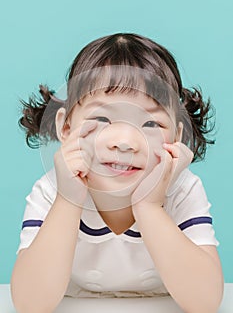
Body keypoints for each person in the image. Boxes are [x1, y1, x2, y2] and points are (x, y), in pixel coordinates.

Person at [11, 33, 223, 313]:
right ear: (66, 128)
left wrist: (149, 206)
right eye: (101, 119)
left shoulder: (181, 190)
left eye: (150, 123)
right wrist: (68, 201)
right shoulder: (52, 190)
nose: (124, 142)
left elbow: (205, 302)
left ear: (177, 136)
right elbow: (29, 304)